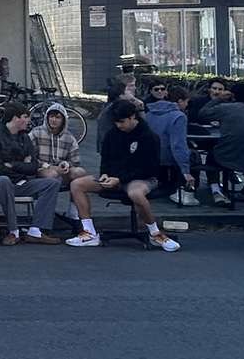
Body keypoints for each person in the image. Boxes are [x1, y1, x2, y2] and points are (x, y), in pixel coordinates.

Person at [67, 100, 180, 251]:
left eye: (122, 122)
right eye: (116, 122)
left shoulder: (149, 137)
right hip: (114, 178)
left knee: (135, 193)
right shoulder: (112, 134)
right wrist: (105, 174)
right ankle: (89, 233)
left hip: (141, 177)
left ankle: (155, 233)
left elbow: (149, 168)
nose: (119, 126)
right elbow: (105, 159)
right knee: (77, 184)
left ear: (133, 117)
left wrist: (120, 179)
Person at [0, 105, 57, 243]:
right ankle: (13, 231)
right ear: (15, 118)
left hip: (19, 182)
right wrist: (23, 165)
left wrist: (14, 164)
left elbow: (34, 166)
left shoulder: (24, 137)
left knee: (51, 183)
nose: (28, 120)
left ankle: (36, 231)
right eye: (25, 117)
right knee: (4, 180)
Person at [194, 78, 244, 204]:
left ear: (232, 95)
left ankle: (216, 191)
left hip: (224, 156)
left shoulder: (225, 108)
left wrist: (219, 99)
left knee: (211, 156)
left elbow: (202, 113)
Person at [144, 81, 194, 205]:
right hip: (167, 156)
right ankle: (187, 191)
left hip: (151, 156)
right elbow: (178, 145)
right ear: (180, 101)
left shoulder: (150, 112)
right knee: (193, 155)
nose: (187, 106)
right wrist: (186, 171)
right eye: (186, 102)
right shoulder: (179, 116)